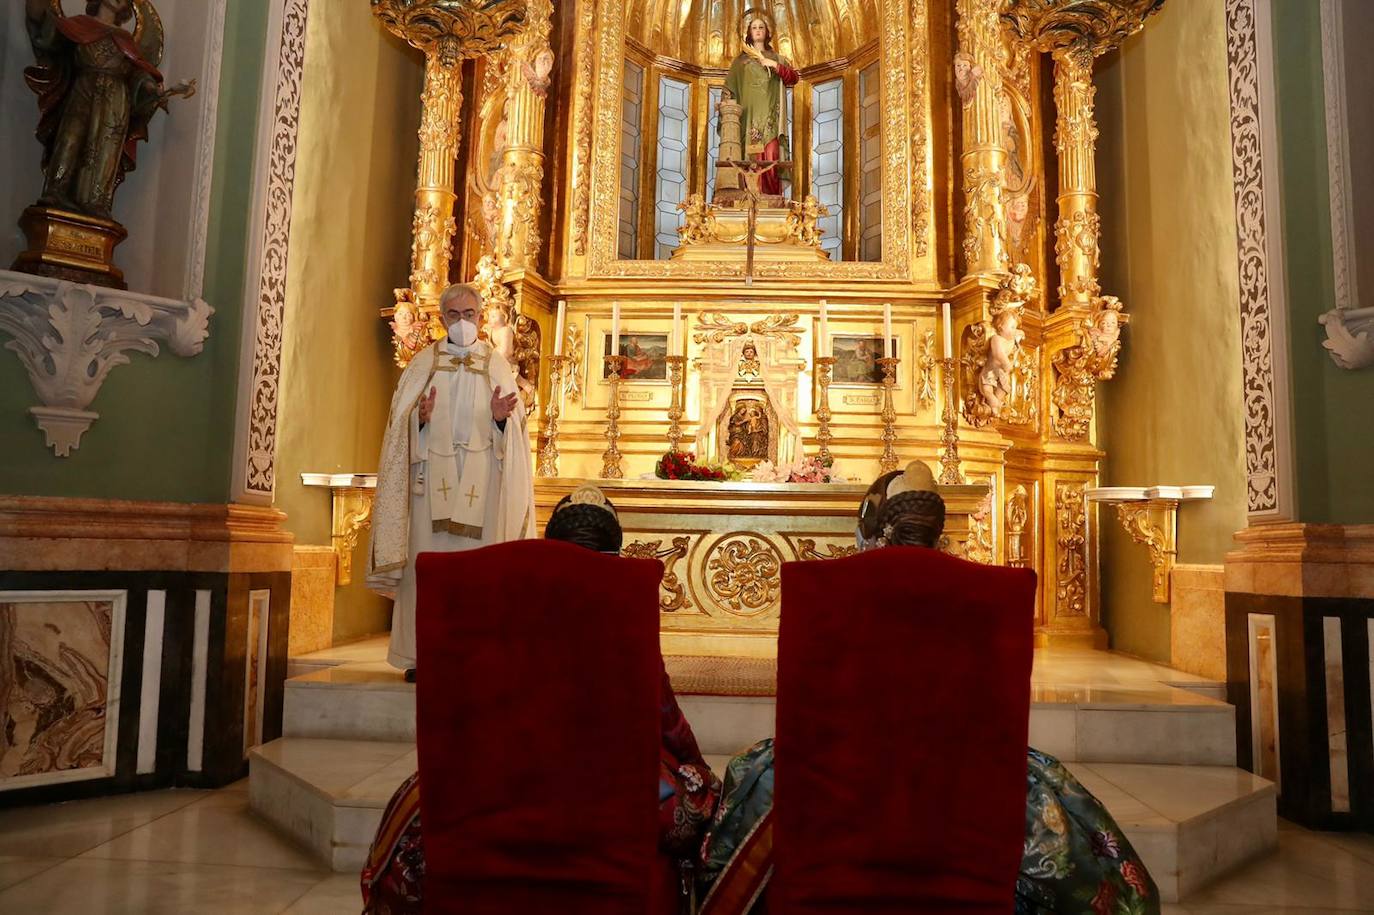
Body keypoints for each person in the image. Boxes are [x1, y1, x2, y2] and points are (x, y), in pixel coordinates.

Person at [698, 462, 1161, 915]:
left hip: (835, 772)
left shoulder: (831, 590)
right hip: (968, 774)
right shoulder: (984, 594)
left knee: (747, 786)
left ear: (871, 531)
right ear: (938, 533)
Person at [361, 485, 722, 914]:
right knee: (701, 808)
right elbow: (667, 721)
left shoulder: (496, 612)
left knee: (415, 811)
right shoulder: (619, 605)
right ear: (615, 556)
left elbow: (459, 724)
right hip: (610, 799)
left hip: (489, 789)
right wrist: (700, 773)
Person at [365, 283, 536, 680]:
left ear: (480, 317)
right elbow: (399, 426)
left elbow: (515, 431)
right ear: (442, 319)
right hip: (430, 486)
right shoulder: (422, 365)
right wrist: (419, 420)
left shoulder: (496, 365)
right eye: (454, 315)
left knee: (478, 574)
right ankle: (422, 656)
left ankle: (479, 653)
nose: (463, 322)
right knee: (429, 571)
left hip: (483, 484)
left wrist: (498, 417)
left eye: (469, 315)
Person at [723, 16, 799, 198]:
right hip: (748, 119)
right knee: (748, 160)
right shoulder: (740, 62)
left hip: (771, 119)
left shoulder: (777, 58)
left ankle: (770, 199)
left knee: (771, 159)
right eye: (754, 27)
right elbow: (729, 89)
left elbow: (794, 78)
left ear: (767, 32)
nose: (757, 30)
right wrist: (726, 104)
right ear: (749, 32)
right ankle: (748, 197)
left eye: (761, 27)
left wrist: (774, 65)